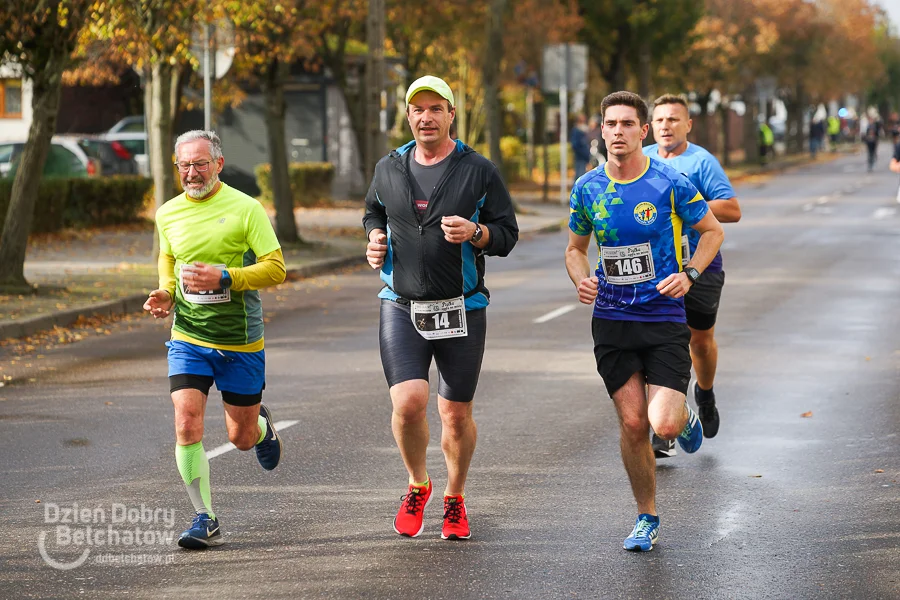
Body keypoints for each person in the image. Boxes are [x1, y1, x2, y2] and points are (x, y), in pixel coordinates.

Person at [565, 91, 724, 552]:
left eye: (627, 124)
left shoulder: (669, 182)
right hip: (611, 319)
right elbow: (576, 249)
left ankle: (685, 416)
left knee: (664, 425)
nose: (618, 132)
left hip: (662, 316)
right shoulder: (588, 188)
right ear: (602, 130)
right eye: (610, 123)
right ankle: (646, 516)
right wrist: (581, 279)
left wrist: (690, 274)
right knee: (634, 425)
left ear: (643, 131)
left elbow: (712, 230)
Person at [363, 75, 519, 541]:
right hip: (401, 304)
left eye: (436, 109)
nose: (426, 117)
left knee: (454, 413)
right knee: (408, 402)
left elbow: (506, 234)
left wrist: (476, 233)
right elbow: (373, 210)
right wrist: (373, 237)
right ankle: (417, 483)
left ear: (452, 114)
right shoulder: (388, 167)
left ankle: (454, 496)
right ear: (407, 116)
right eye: (418, 110)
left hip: (462, 307)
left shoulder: (479, 170)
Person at [143, 130, 286, 549]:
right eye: (184, 165)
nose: (191, 172)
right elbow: (168, 254)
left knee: (239, 438)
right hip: (189, 336)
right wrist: (166, 292)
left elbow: (276, 269)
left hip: (239, 340)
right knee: (186, 421)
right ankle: (205, 517)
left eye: (200, 164)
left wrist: (226, 277)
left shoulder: (246, 209)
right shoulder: (167, 213)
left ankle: (260, 428)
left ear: (218, 164)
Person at [643, 94, 742, 459]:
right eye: (660, 120)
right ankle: (667, 427)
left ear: (688, 125)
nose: (666, 126)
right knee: (665, 343)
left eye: (673, 119)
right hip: (658, 269)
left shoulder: (701, 162)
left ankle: (705, 391)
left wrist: (684, 204)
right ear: (649, 127)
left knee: (700, 342)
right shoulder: (643, 160)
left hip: (701, 264)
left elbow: (732, 210)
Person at [570, 113, 592, 182]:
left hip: (583, 157)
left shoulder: (583, 130)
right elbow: (575, 145)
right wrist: (585, 153)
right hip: (580, 157)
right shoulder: (577, 131)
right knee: (580, 176)